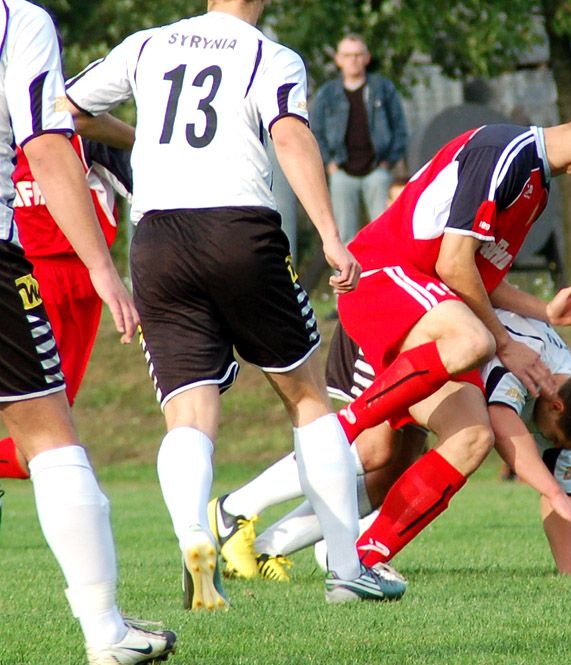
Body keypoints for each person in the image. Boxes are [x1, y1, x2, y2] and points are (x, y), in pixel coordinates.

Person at [65, 0, 405, 607]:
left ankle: (195, 531)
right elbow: (291, 134)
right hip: (239, 227)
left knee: (189, 415)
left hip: (159, 238)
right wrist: (330, 234)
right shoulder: (270, 56)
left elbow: (70, 110)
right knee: (305, 396)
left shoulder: (147, 45)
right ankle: (347, 570)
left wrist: (143, 143)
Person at [327, 93, 571, 570]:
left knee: (450, 444)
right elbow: (452, 264)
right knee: (455, 370)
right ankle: (314, 458)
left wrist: (544, 311)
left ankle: (356, 562)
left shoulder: (537, 189)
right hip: (384, 280)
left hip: (427, 306)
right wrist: (505, 342)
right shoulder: (509, 152)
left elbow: (481, 276)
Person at [0, 2, 177, 662]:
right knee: (50, 435)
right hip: (11, 259)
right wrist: (106, 266)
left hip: (37, 266)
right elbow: (47, 143)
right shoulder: (18, 21)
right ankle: (105, 629)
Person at [213, 309, 571, 578]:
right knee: (374, 450)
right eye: (552, 437)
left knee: (390, 473)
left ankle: (270, 547)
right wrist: (553, 491)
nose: (546, 444)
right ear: (555, 405)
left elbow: (559, 499)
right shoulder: (532, 366)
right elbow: (503, 425)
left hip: (435, 362)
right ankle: (236, 508)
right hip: (391, 329)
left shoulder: (570, 385)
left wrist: (568, 580)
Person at [0, 135, 131, 481]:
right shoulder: (74, 126)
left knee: (41, 433)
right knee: (46, 437)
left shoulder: (82, 130)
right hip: (37, 273)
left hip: (66, 276)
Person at [311, 33, 408, 243]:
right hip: (341, 171)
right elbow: (315, 131)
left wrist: (387, 163)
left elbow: (399, 127)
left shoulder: (382, 89)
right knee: (343, 236)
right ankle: (345, 276)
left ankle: (385, 274)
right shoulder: (328, 93)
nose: (353, 60)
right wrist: (329, 164)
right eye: (347, 55)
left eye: (357, 55)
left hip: (377, 170)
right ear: (338, 59)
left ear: (367, 57)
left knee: (384, 232)